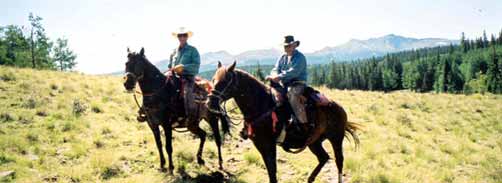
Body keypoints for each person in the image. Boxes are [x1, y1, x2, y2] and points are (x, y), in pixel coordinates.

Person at [266, 35, 312, 132]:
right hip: (284, 84)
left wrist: (279, 77)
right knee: (271, 94)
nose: (286, 48)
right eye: (285, 46)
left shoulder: (300, 57)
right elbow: (275, 69)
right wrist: (273, 75)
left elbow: (294, 71)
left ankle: (303, 123)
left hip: (298, 83)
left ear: (294, 45)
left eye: (288, 46)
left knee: (292, 93)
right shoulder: (282, 58)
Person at [168, 27, 201, 123]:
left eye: (184, 35)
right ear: (177, 37)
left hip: (188, 77)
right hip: (174, 76)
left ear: (187, 37)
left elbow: (196, 65)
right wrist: (170, 70)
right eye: (180, 35)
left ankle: (188, 116)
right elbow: (170, 65)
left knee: (187, 93)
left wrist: (184, 67)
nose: (182, 37)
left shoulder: (193, 50)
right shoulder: (174, 51)